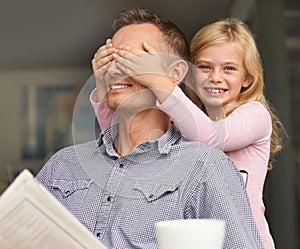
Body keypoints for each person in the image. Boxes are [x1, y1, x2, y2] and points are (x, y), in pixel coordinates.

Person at [37, 8, 264, 249]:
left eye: (135, 59)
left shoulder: (206, 166)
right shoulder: (63, 164)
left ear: (175, 73)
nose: (115, 68)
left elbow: (207, 136)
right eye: (110, 60)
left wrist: (155, 80)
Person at [90, 18, 285, 249]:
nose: (215, 77)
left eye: (229, 68)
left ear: (247, 79)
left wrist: (158, 80)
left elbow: (211, 137)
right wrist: (105, 87)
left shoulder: (254, 114)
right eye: (204, 67)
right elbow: (124, 140)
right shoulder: (183, 122)